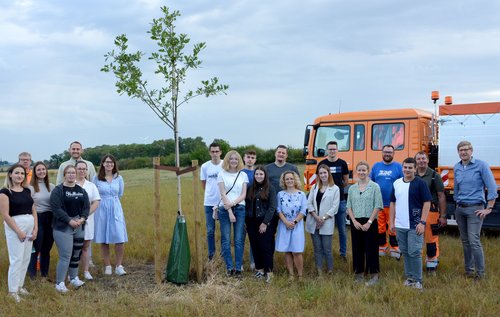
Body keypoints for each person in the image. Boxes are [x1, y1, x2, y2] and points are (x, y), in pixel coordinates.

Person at [453, 141, 497, 279]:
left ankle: (480, 274)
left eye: (466, 149)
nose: (463, 152)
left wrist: (488, 208)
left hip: (475, 209)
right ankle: (469, 270)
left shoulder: (481, 165)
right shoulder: (457, 167)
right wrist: (456, 202)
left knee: (474, 240)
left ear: (471, 151)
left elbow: (492, 187)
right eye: (461, 150)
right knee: (465, 241)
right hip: (460, 209)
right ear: (458, 152)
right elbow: (456, 188)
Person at [389, 157, 431, 290]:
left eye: (410, 168)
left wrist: (422, 222)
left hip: (415, 224)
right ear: (402, 168)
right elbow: (392, 203)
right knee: (406, 252)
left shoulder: (420, 183)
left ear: (415, 169)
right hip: (400, 225)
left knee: (414, 252)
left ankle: (418, 281)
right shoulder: (396, 183)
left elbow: (427, 202)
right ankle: (410, 278)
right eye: (405, 167)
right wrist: (391, 222)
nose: (407, 170)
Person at [0, 164, 38, 302]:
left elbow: (33, 210)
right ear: (10, 174)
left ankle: (20, 286)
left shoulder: (26, 191)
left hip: (29, 224)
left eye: (22, 173)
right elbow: (5, 215)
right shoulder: (5, 192)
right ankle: (12, 291)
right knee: (16, 259)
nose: (20, 176)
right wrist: (18, 231)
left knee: (26, 258)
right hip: (15, 226)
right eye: (17, 173)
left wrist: (35, 229)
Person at [50, 165, 89, 293]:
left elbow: (86, 207)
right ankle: (60, 283)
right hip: (63, 227)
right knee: (65, 255)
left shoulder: (81, 190)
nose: (71, 175)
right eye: (69, 173)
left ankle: (73, 278)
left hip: (79, 225)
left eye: (73, 172)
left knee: (76, 254)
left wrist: (82, 219)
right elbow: (56, 208)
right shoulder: (58, 190)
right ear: (64, 175)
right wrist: (69, 220)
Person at [346, 161, 383, 286]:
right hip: (356, 222)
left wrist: (369, 222)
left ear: (368, 171)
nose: (362, 172)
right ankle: (359, 273)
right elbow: (348, 206)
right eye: (359, 170)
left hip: (370, 221)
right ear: (357, 171)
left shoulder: (374, 187)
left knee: (371, 248)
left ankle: (374, 275)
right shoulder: (352, 188)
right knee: (357, 248)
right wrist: (354, 221)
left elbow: (378, 205)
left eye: (364, 170)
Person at [93, 155, 128, 276]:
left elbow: (120, 194)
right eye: (107, 162)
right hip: (101, 209)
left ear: (114, 164)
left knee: (119, 237)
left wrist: (113, 204)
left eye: (111, 162)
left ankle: (119, 265)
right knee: (104, 237)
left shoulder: (119, 178)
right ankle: (107, 265)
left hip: (115, 207)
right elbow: (94, 194)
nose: (109, 164)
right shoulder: (96, 178)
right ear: (102, 164)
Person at [217, 150, 249, 277]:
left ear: (239, 161)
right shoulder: (221, 174)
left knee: (238, 240)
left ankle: (238, 268)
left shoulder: (243, 175)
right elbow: (223, 193)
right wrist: (230, 211)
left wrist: (233, 204)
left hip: (240, 208)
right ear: (227, 160)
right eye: (231, 159)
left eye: (236, 159)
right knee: (225, 239)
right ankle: (229, 268)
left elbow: (243, 194)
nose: (234, 161)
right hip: (225, 210)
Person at [415, 151, 447, 272]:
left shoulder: (434, 175)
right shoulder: (412, 174)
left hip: (431, 211)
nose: (421, 161)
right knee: (416, 238)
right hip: (416, 210)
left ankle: (432, 264)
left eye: (423, 158)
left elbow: (441, 196)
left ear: (428, 160)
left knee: (431, 238)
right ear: (416, 161)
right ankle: (417, 262)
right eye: (419, 159)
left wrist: (443, 216)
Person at [369, 144, 403, 258]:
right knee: (380, 227)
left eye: (389, 152)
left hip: (393, 204)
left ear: (393, 154)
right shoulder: (376, 166)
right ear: (382, 153)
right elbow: (370, 183)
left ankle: (395, 249)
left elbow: (403, 184)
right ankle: (382, 247)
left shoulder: (398, 167)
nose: (387, 154)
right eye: (385, 152)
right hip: (378, 204)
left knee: (393, 227)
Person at [317, 141, 349, 259]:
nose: (332, 151)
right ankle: (326, 253)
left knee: (342, 230)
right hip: (325, 202)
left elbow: (345, 181)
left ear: (337, 150)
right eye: (330, 149)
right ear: (326, 150)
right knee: (325, 229)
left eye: (334, 149)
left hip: (340, 201)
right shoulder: (322, 163)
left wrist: (337, 190)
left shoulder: (342, 163)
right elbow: (318, 181)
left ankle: (343, 254)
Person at [306, 164, 340, 275]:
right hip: (314, 221)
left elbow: (335, 207)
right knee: (317, 249)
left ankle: (330, 270)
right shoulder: (314, 187)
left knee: (327, 249)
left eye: (325, 172)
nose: (323, 175)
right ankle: (319, 271)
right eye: (320, 173)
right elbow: (309, 203)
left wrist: (323, 218)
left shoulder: (335, 189)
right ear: (318, 175)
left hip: (327, 222)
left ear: (329, 173)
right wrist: (316, 217)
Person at [245, 166, 276, 283]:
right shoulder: (250, 188)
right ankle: (260, 270)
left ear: (265, 175)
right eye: (257, 174)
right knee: (255, 245)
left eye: (261, 174)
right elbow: (247, 205)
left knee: (266, 246)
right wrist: (245, 221)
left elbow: (272, 207)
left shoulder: (270, 188)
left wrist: (265, 223)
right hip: (251, 221)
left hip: (264, 221)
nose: (258, 176)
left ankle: (269, 272)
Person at [275, 171, 307, 281]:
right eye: (287, 179)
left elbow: (303, 210)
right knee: (288, 250)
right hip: (284, 224)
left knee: (296, 251)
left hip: (297, 225)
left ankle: (300, 275)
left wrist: (295, 222)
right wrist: (285, 222)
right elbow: (278, 210)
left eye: (291, 179)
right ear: (284, 181)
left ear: (295, 180)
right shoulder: (280, 194)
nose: (289, 181)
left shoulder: (301, 194)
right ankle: (291, 275)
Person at [27, 161, 55, 280]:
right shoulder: (30, 188)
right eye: (38, 170)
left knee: (46, 248)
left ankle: (44, 274)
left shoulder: (52, 186)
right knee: (36, 248)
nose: (41, 172)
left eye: (43, 169)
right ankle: (32, 275)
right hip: (37, 218)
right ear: (34, 172)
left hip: (50, 218)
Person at [75, 161, 101, 280]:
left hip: (87, 220)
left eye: (84, 169)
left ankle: (85, 271)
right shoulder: (69, 184)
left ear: (87, 171)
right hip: (72, 221)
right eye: (79, 168)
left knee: (85, 246)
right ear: (75, 170)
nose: (82, 171)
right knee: (73, 247)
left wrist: (84, 215)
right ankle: (72, 272)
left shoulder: (91, 185)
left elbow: (96, 202)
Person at [266, 145, 299, 233]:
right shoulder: (267, 168)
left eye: (283, 153)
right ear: (275, 154)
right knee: (270, 232)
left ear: (286, 155)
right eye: (279, 152)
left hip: (289, 207)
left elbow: (297, 186)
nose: (281, 154)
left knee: (289, 231)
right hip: (272, 205)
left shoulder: (292, 168)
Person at [200, 142, 223, 261]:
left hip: (223, 203)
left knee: (224, 230)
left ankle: (224, 255)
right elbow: (203, 183)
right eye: (212, 151)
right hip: (209, 202)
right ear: (210, 152)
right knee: (210, 230)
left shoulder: (225, 164)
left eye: (217, 151)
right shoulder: (205, 166)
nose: (215, 154)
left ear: (220, 152)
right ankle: (211, 255)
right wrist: (210, 194)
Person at [242, 149, 257, 270]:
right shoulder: (240, 173)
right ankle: (239, 263)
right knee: (240, 237)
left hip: (255, 211)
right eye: (248, 157)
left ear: (255, 159)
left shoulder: (259, 173)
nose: (250, 159)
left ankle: (254, 262)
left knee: (253, 237)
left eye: (252, 157)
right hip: (242, 209)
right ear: (244, 158)